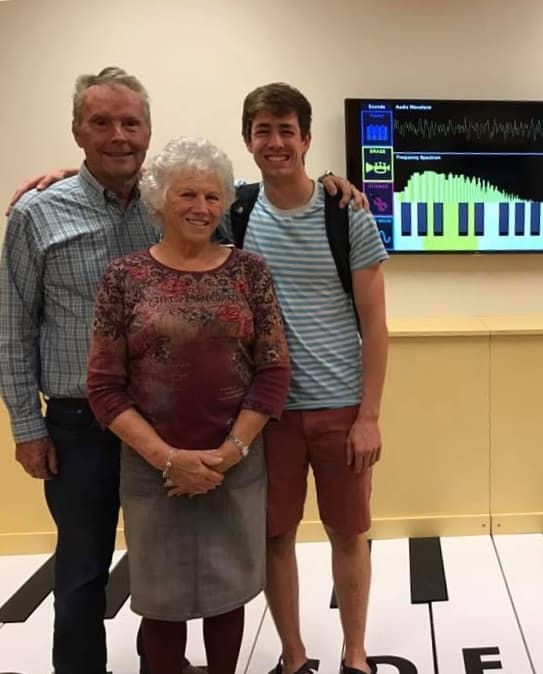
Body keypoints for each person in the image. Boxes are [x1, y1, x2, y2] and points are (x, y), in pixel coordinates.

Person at [0, 66, 362, 674]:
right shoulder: (39, 214)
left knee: (181, 578)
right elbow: (12, 327)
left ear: (147, 132)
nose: (118, 134)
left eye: (131, 123)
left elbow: (250, 190)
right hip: (81, 424)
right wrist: (26, 427)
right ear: (76, 131)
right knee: (86, 571)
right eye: (101, 123)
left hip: (194, 434)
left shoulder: (188, 210)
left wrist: (326, 179)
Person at [87, 135, 290, 674]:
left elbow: (273, 371)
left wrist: (228, 454)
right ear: (159, 199)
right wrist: (167, 459)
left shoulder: (250, 272)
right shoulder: (124, 278)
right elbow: (104, 386)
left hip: (236, 465)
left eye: (211, 196)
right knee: (162, 602)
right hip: (154, 471)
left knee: (229, 592)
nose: (201, 208)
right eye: (186, 195)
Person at [229, 83, 388, 674]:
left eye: (286, 130)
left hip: (342, 409)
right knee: (276, 539)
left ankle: (354, 653)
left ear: (306, 139)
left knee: (349, 534)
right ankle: (293, 656)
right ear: (248, 141)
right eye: (263, 131)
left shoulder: (347, 214)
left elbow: (375, 326)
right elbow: (160, 195)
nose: (275, 142)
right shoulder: (234, 213)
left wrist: (369, 415)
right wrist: (77, 170)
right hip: (266, 414)